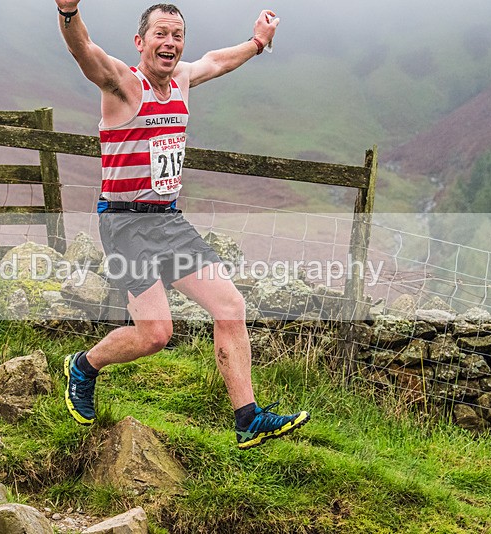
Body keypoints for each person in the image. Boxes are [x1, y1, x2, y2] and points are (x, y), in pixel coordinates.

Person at [54, 1, 309, 449]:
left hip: (169, 221)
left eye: (177, 36)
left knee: (230, 307)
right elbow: (84, 51)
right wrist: (68, 11)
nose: (169, 43)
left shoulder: (183, 80)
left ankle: (247, 419)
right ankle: (84, 366)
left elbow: (216, 61)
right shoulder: (122, 85)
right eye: (160, 34)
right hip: (125, 223)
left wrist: (256, 43)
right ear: (141, 42)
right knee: (156, 334)